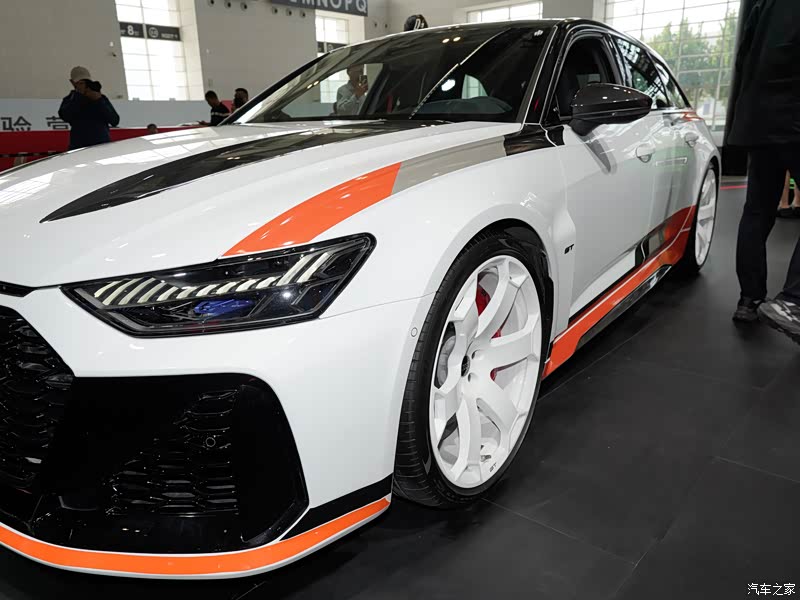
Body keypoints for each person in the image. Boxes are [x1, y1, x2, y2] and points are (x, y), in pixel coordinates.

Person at [728, 0, 800, 343]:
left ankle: (749, 300)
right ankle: (794, 302)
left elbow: (744, 57)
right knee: (758, 211)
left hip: (758, 116)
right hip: (794, 115)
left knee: (757, 211)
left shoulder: (765, 3)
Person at [58, 66, 120, 150]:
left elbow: (115, 120)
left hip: (102, 147)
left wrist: (98, 100)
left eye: (86, 82)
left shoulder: (100, 98)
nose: (84, 85)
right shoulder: (69, 99)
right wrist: (79, 96)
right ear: (72, 83)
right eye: (80, 83)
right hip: (79, 148)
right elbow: (65, 116)